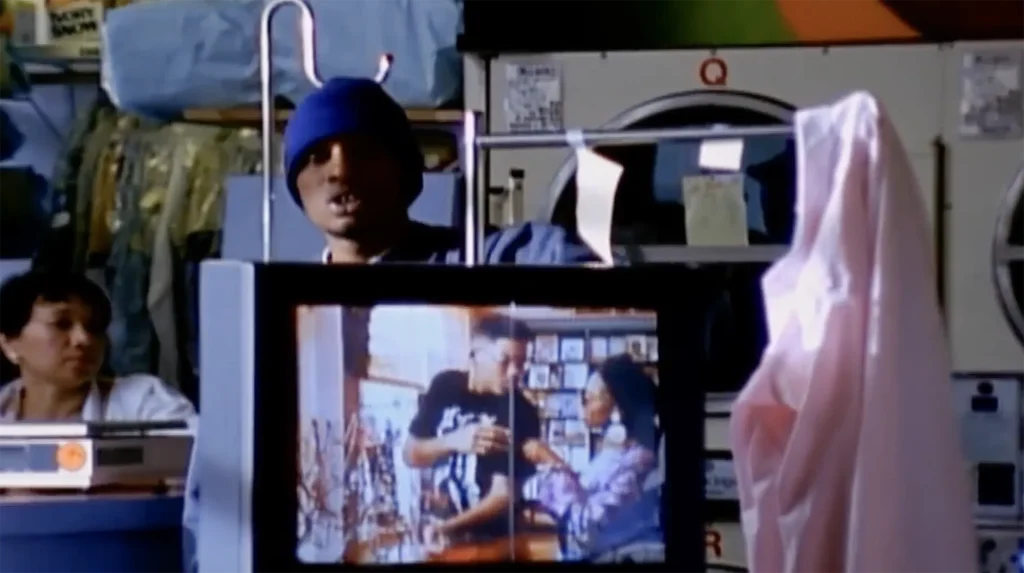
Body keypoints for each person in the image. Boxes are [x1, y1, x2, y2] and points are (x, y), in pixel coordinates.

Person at [182, 78, 601, 572]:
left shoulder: (483, 258)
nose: (339, 170)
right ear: (295, 183)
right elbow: (211, 501)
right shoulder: (272, 317)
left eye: (362, 149)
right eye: (316, 156)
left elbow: (578, 266)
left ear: (405, 169)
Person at [403, 314, 561, 549]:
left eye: (521, 362)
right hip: (434, 531)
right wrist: (453, 441)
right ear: (477, 353)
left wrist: (448, 528)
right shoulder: (444, 386)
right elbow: (410, 455)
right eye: (505, 360)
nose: (514, 372)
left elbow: (503, 495)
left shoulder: (522, 411)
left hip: (496, 542)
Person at [0, 269, 196, 422]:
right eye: (62, 324)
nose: (83, 339)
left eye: (95, 327)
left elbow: (199, 466)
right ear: (9, 344)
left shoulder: (145, 403)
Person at [534, 354, 661, 561]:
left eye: (588, 399)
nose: (583, 409)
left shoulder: (640, 462)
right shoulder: (616, 454)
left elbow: (585, 531)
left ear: (616, 407)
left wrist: (553, 464)